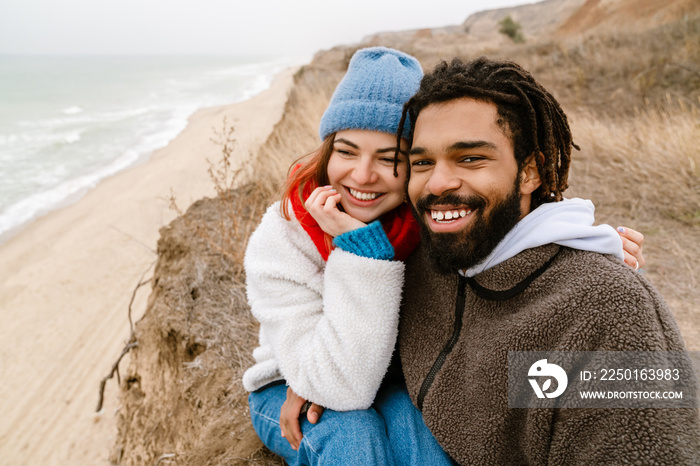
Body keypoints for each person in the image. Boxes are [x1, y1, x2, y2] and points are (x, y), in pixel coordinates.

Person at [244, 48, 647, 465]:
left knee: (422, 438)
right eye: (346, 152)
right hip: (290, 382)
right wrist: (361, 256)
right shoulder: (285, 237)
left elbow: (502, 222)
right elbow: (340, 387)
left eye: (391, 159)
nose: (362, 176)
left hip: (381, 378)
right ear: (327, 153)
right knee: (353, 436)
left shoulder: (425, 219)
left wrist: (589, 237)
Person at [394, 56, 699, 464]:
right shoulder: (422, 262)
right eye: (422, 163)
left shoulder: (606, 309)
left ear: (530, 173)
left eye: (470, 158)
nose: (437, 183)